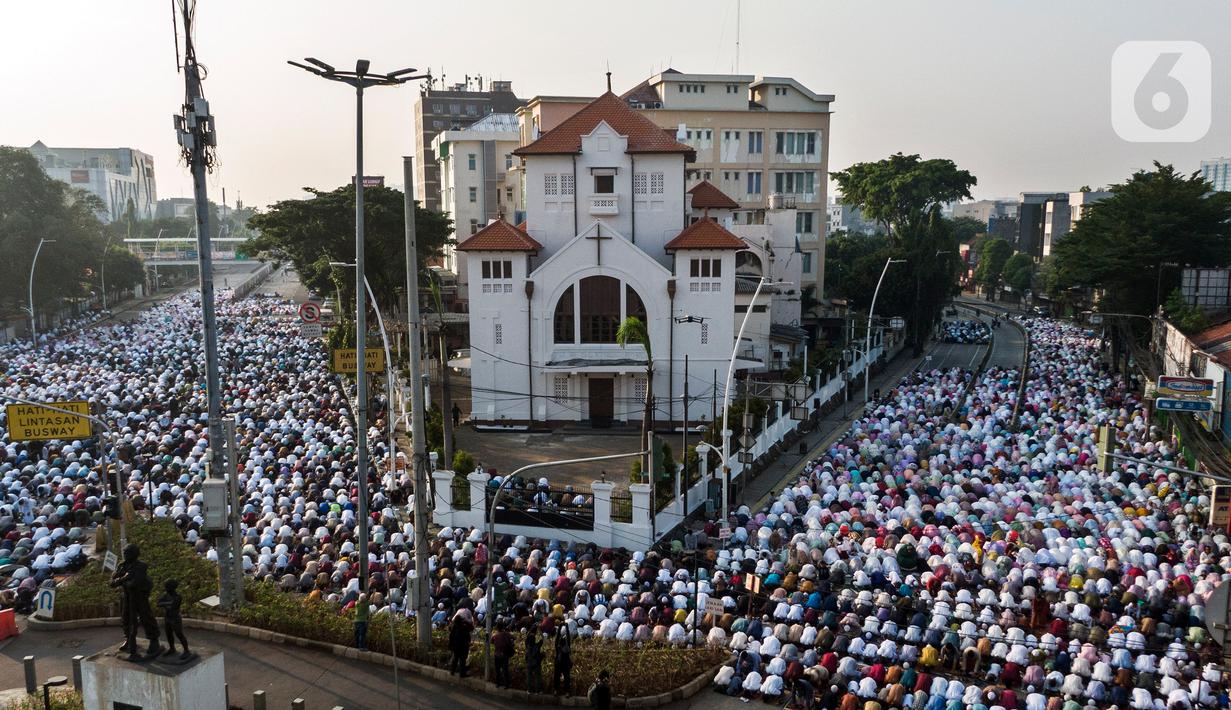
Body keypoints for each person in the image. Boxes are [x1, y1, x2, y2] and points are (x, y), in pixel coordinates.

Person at [110, 544, 161, 657]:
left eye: (128, 553)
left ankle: (154, 641)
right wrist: (124, 578)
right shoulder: (122, 565)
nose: (125, 555)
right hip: (127, 597)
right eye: (124, 553)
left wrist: (122, 581)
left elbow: (134, 583)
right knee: (125, 618)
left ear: (135, 554)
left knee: (146, 617)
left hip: (139, 596)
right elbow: (112, 583)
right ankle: (128, 639)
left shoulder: (141, 566)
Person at [156, 579, 190, 659]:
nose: (166, 589)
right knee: (169, 634)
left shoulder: (178, 596)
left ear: (172, 588)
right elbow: (158, 603)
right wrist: (167, 603)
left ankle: (186, 650)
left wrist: (165, 604)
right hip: (168, 617)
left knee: (179, 634)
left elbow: (172, 606)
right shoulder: (166, 595)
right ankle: (172, 648)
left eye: (167, 587)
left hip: (175, 618)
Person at [449, 607, 474, 677]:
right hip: (463, 646)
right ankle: (462, 673)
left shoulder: (455, 627)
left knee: (455, 658)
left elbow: (451, 636)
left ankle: (452, 671)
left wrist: (450, 645)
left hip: (455, 645)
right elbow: (471, 628)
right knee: (462, 659)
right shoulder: (464, 627)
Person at [492, 620, 514, 688]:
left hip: (497, 654)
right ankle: (506, 684)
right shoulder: (506, 634)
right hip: (504, 654)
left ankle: (498, 683)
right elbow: (513, 637)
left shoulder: (495, 635)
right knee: (505, 670)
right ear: (503, 627)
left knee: (497, 670)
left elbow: (491, 641)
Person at [553, 624, 573, 695]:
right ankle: (567, 692)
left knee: (556, 677)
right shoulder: (567, 648)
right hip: (566, 663)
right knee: (567, 678)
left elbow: (557, 637)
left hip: (558, 663)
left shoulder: (557, 647)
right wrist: (566, 627)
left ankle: (556, 690)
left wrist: (560, 627)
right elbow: (568, 637)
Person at [525, 624, 544, 693]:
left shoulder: (527, 646)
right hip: (536, 663)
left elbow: (526, 638)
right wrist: (539, 629)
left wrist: (531, 630)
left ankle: (529, 690)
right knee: (537, 677)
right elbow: (542, 638)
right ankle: (538, 690)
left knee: (529, 677)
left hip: (529, 662)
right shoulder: (537, 646)